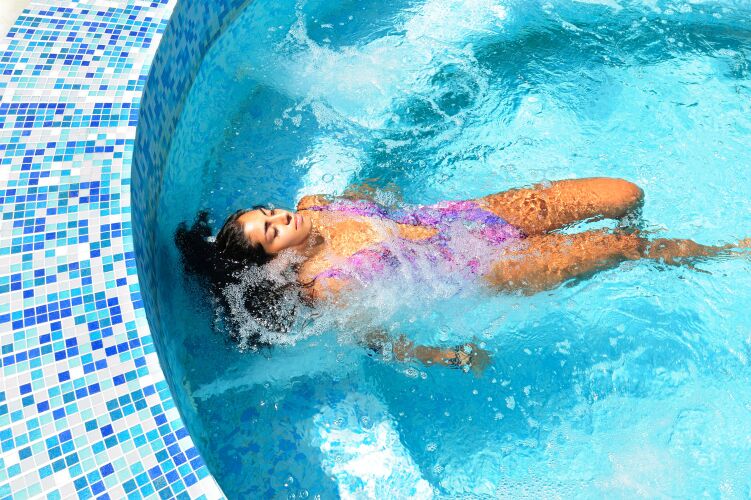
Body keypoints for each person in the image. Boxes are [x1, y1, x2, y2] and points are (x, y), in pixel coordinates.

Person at [176, 177, 749, 374]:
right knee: (624, 245)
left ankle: (655, 250)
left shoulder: (316, 203)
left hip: (472, 218)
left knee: (626, 195)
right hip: (486, 267)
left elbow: (385, 201)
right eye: (271, 233)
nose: (282, 219)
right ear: (273, 261)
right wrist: (445, 357)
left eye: (270, 213)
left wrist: (382, 199)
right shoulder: (326, 283)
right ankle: (723, 253)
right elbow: (372, 338)